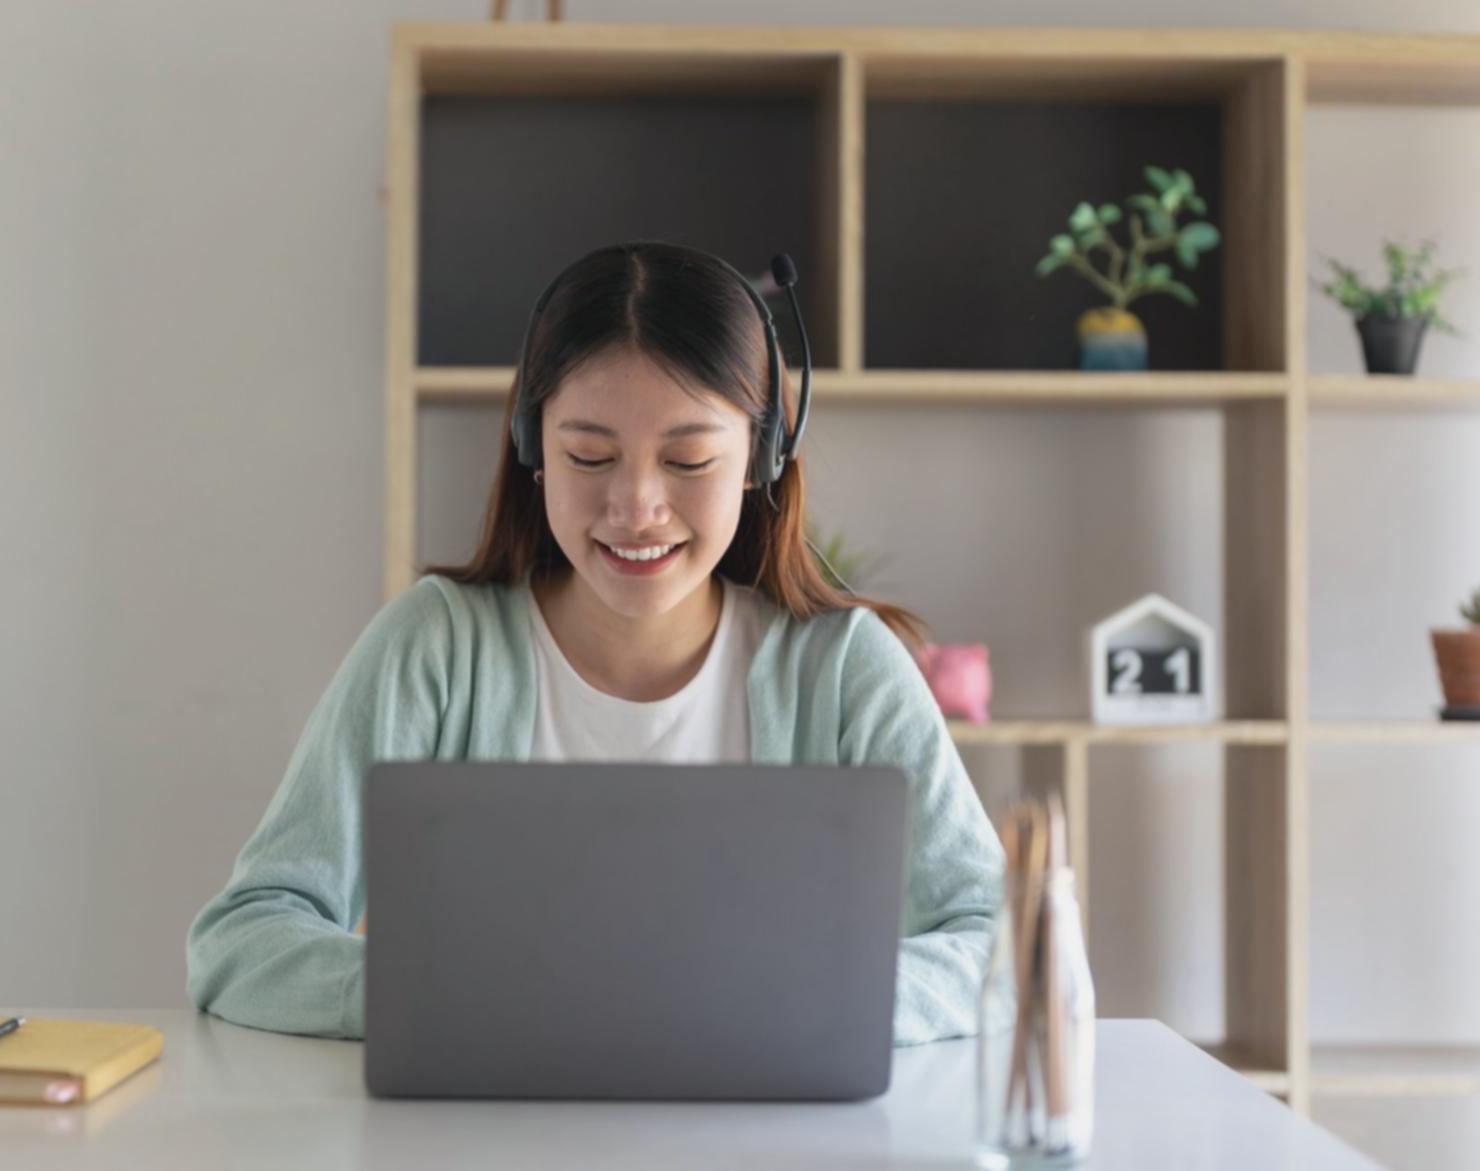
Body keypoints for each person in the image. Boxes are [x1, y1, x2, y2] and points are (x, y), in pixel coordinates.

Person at [186, 241, 1003, 1045]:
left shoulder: (842, 669)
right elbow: (241, 939)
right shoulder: (433, 648)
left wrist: (819, 999)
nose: (635, 505)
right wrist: (430, 995)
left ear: (761, 457)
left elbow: (1007, 944)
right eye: (588, 455)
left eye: (687, 459)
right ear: (530, 446)